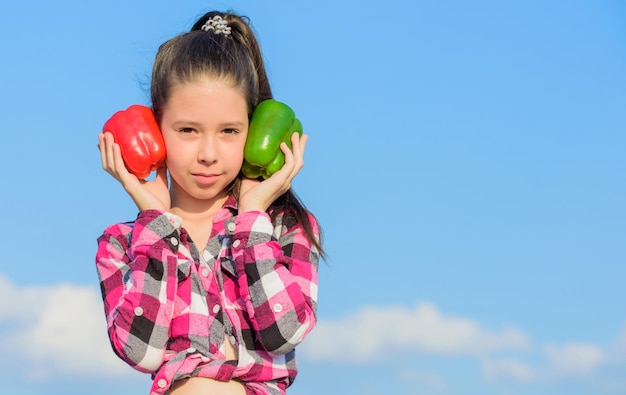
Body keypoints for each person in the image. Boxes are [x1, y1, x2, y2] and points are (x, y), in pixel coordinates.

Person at [95, 10, 323, 395]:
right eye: (187, 130)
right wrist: (156, 223)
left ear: (253, 131)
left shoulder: (285, 228)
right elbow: (141, 352)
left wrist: (252, 220)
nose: (208, 154)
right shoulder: (121, 244)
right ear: (154, 128)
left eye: (229, 131)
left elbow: (285, 333)